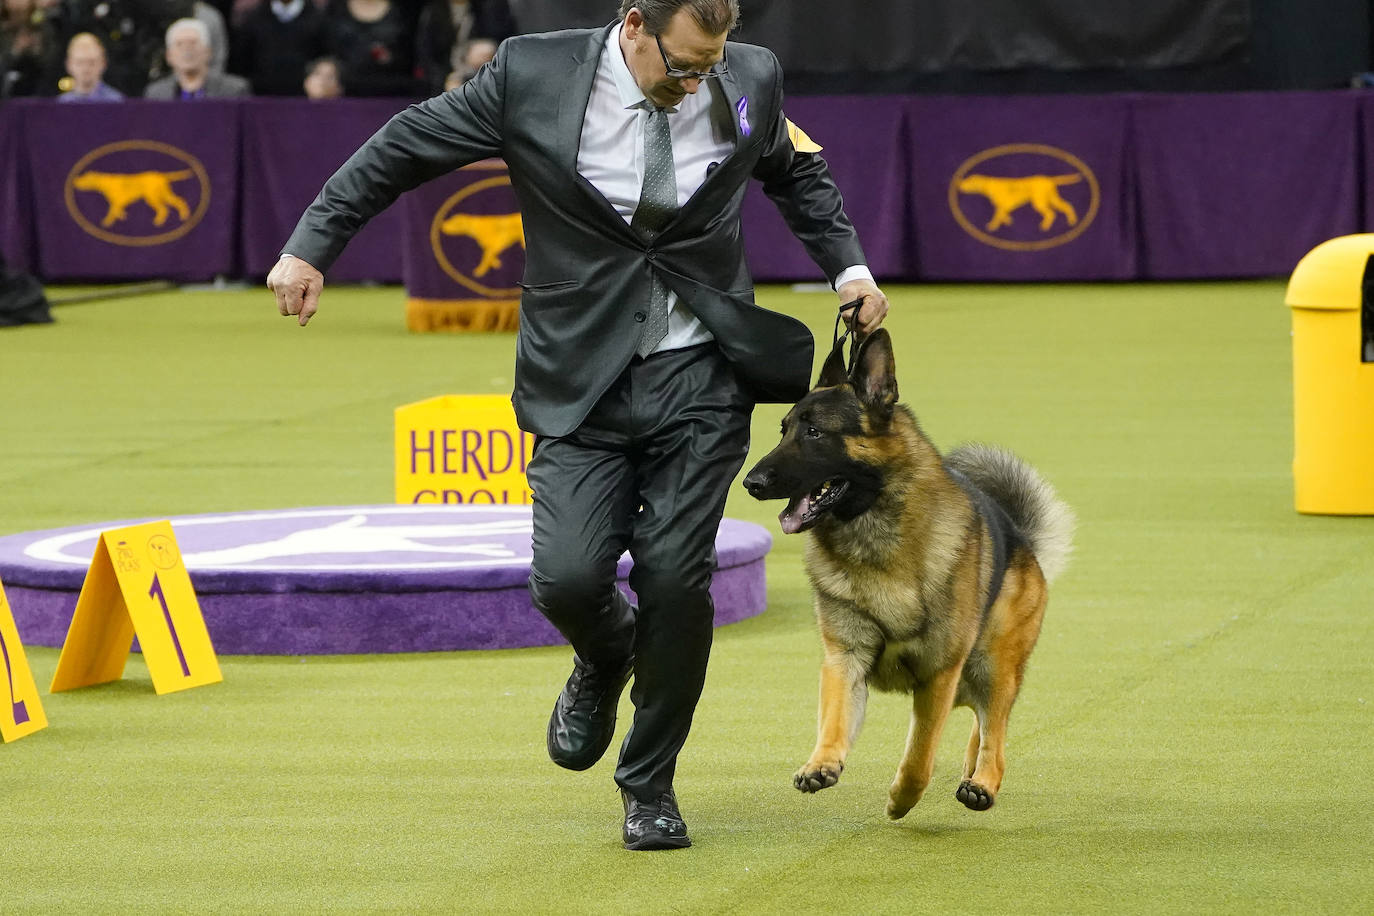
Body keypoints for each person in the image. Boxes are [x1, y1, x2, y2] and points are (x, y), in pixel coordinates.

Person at [266, 0, 888, 851]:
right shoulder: (532, 74)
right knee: (563, 579)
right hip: (578, 375)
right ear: (634, 25)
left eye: (712, 63)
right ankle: (605, 653)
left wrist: (848, 268)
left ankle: (650, 785)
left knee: (676, 576)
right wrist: (311, 245)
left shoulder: (749, 77)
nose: (699, 80)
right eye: (683, 64)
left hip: (701, 367)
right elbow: (404, 145)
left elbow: (796, 170)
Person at [323, 0, 420, 98]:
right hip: (342, 90)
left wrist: (391, 57)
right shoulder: (334, 8)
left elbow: (415, 52)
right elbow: (322, 52)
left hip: (394, 90)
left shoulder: (405, 8)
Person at [229, 0, 327, 95]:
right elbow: (241, 61)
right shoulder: (254, 20)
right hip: (260, 98)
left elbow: (323, 59)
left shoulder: (318, 21)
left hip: (304, 100)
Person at [144, 17, 249, 98]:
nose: (187, 50)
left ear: (208, 52)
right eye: (179, 44)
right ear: (169, 56)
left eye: (193, 43)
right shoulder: (156, 94)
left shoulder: (234, 91)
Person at [57, 31, 123, 100]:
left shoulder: (116, 102)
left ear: (103, 64)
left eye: (92, 63)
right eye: (80, 62)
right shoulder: (61, 104)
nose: (86, 69)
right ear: (69, 64)